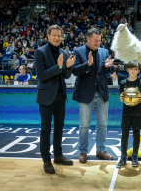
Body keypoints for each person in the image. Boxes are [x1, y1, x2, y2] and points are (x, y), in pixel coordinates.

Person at [34, 25, 76, 174]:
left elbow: (65, 76)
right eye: (54, 35)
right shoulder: (40, 52)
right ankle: (46, 160)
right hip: (46, 97)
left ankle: (58, 155)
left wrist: (68, 67)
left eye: (59, 35)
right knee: (45, 130)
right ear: (48, 36)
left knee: (59, 128)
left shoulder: (63, 52)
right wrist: (58, 66)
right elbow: (41, 75)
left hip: (60, 96)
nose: (57, 38)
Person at [71, 28, 115, 163]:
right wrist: (87, 64)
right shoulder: (77, 52)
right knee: (84, 125)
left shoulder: (104, 51)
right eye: (95, 41)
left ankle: (100, 150)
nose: (98, 43)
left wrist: (109, 67)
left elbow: (109, 71)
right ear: (87, 39)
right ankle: (83, 151)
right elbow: (74, 70)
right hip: (85, 94)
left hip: (102, 93)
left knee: (102, 124)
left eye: (99, 40)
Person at [116, 60, 141, 168]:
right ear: (127, 69)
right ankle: (123, 156)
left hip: (137, 113)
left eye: (135, 69)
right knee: (124, 135)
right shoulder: (123, 83)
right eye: (131, 69)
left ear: (138, 71)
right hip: (126, 113)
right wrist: (121, 98)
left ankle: (135, 156)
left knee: (136, 135)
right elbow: (121, 98)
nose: (133, 71)